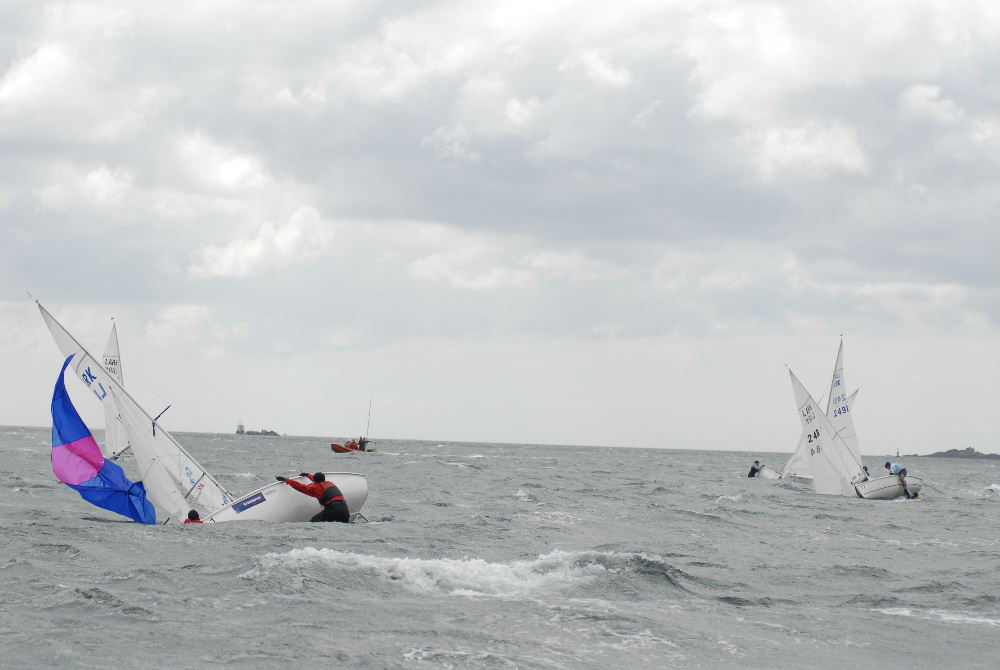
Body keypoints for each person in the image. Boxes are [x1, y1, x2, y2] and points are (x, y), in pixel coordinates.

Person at [276, 472, 350, 523]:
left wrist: (285, 479)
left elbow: (299, 487)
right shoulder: (329, 483)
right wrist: (308, 475)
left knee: (315, 520)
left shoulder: (315, 487)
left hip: (334, 509)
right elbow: (317, 480)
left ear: (315, 481)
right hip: (345, 511)